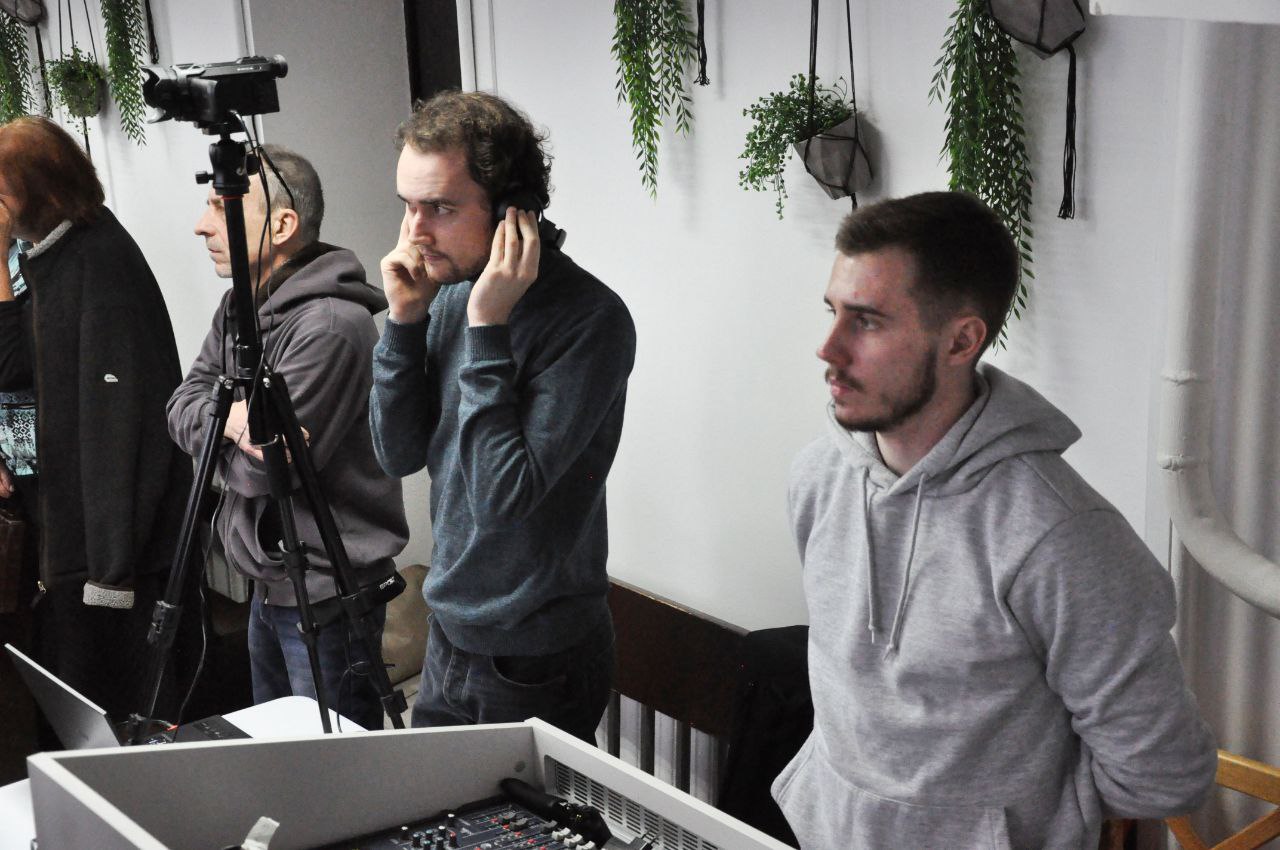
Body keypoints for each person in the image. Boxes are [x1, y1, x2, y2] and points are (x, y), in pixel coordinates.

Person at [773, 191, 1216, 848]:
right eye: (832, 312)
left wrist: (1018, 816)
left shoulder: (1060, 535)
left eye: (866, 322)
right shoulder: (818, 476)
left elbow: (1165, 773)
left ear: (961, 340)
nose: (828, 348)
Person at [369, 91, 635, 743]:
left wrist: (489, 327)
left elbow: (501, 500)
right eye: (408, 205)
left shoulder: (589, 320)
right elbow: (396, 453)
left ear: (515, 210)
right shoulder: (447, 294)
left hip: (535, 658)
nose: (415, 232)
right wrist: (404, 321)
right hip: (450, 634)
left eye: (440, 208)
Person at [166, 144, 408, 730]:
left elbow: (262, 472)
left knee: (333, 765)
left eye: (222, 207)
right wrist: (229, 420)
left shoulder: (330, 326)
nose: (202, 226)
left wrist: (215, 436)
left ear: (281, 226)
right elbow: (178, 405)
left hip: (326, 593)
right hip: (271, 579)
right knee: (277, 752)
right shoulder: (240, 307)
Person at [0, 116, 192, 728]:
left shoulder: (96, 262)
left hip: (104, 545)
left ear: (40, 190)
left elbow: (117, 423)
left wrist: (110, 566)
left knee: (111, 705)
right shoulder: (50, 256)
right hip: (62, 525)